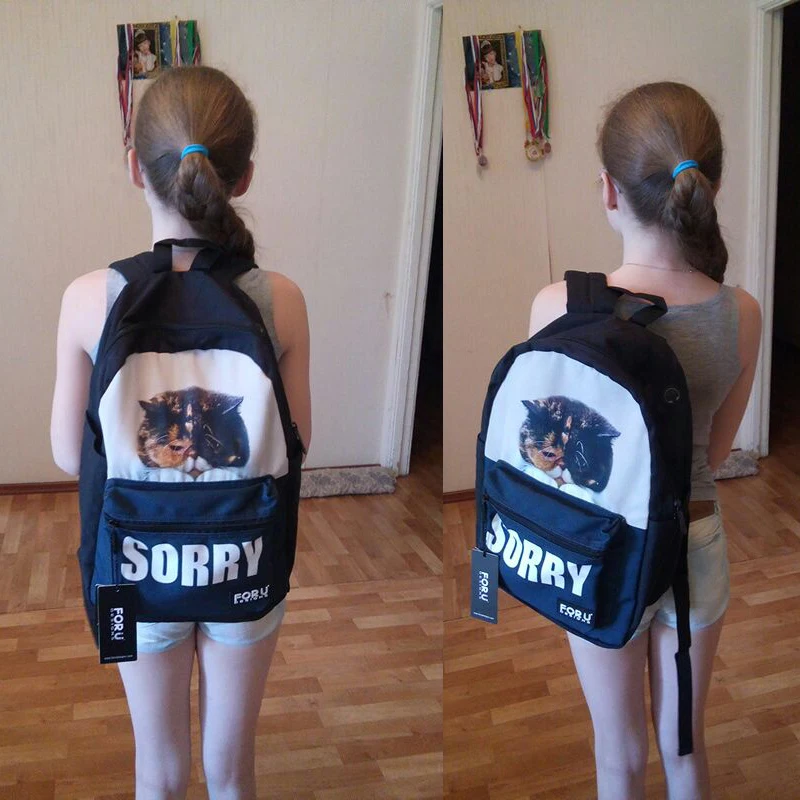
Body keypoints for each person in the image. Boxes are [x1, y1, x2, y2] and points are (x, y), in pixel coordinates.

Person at [50, 65, 311, 799]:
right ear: (243, 176)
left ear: (136, 168)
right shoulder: (281, 300)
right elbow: (298, 443)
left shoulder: (88, 299)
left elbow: (68, 454)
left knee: (159, 771)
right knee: (230, 770)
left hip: (131, 574)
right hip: (245, 563)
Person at [527, 82, 761, 800]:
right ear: (711, 186)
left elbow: (545, 459)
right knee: (683, 748)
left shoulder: (558, 307)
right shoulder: (742, 313)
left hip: (600, 549)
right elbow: (712, 456)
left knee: (619, 754)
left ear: (608, 189)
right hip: (696, 540)